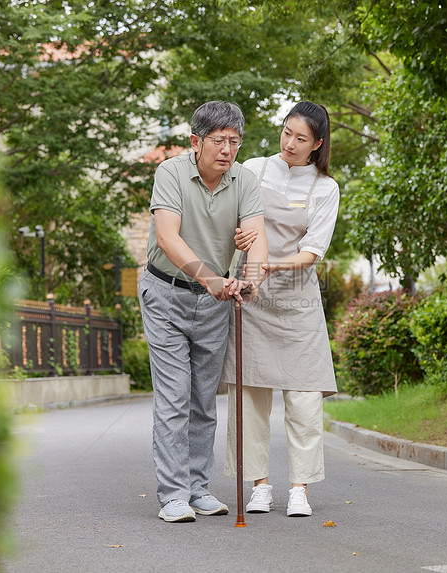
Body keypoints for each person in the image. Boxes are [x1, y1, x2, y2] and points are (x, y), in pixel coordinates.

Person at [138, 101, 268, 523]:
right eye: (219, 140)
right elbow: (167, 236)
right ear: (196, 141)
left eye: (234, 141)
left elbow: (257, 239)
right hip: (166, 293)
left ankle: (197, 488)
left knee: (203, 399)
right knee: (174, 395)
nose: (227, 149)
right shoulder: (171, 173)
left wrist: (252, 280)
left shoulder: (245, 180)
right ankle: (173, 494)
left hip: (216, 302)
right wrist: (210, 277)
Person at [222, 101, 339, 517]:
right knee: (249, 397)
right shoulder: (252, 168)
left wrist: (272, 264)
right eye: (286, 132)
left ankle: (299, 489)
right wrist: (238, 240)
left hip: (297, 301)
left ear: (317, 144)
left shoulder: (325, 188)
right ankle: (259, 486)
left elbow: (311, 254)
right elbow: (231, 218)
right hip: (251, 297)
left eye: (301, 138)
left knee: (305, 399)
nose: (290, 143)